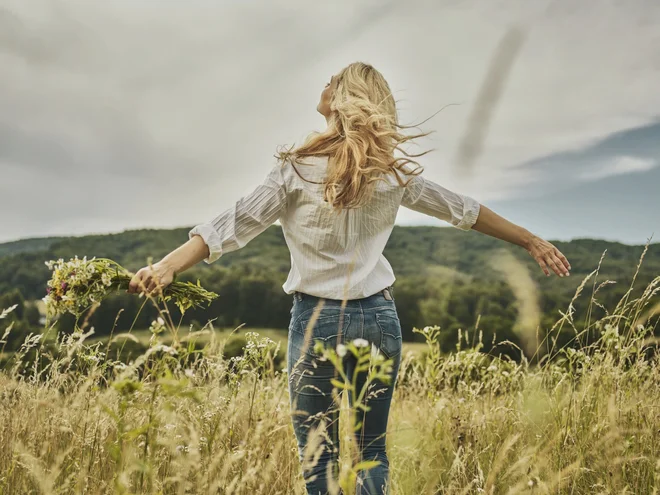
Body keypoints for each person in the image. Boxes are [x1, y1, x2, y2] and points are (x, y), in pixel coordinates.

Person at [128, 62, 570, 495]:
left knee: (318, 457)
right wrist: (529, 239)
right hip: (378, 319)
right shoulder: (393, 173)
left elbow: (230, 225)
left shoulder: (296, 169)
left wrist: (166, 266)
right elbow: (464, 210)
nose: (325, 83)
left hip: (316, 320)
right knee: (371, 451)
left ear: (345, 99)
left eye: (334, 81)